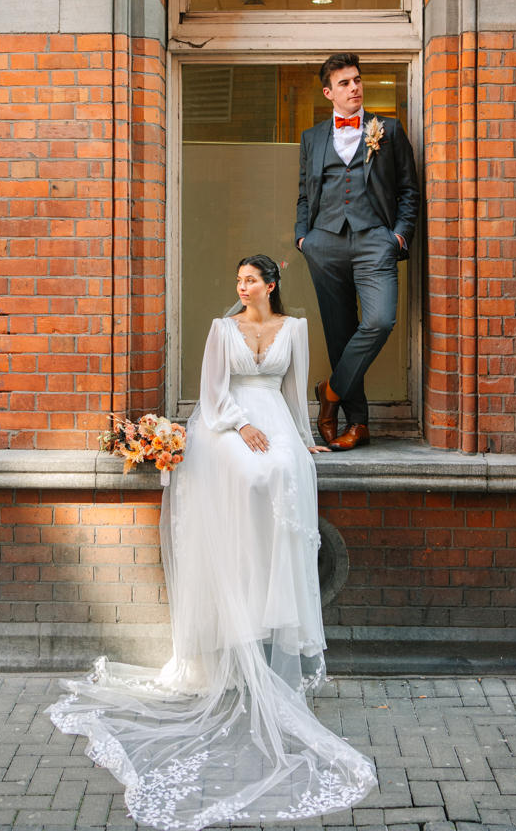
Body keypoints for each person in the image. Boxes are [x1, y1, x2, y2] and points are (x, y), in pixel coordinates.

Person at [47, 254, 377, 829]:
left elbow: (296, 391)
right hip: (229, 422)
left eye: (251, 279)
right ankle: (237, 618)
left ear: (270, 285)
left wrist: (302, 439)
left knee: (287, 473)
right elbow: (211, 390)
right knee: (250, 475)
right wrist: (236, 424)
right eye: (239, 279)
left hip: (274, 418)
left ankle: (271, 619)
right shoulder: (223, 330)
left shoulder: (294, 330)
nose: (242, 286)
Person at [296, 53, 419, 450]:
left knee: (380, 321)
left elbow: (408, 191)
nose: (355, 88)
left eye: (357, 80)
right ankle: (358, 423)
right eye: (345, 83)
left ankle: (329, 392)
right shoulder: (312, 138)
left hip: (374, 242)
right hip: (324, 243)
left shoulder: (389, 130)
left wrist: (398, 236)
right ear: (329, 92)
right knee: (339, 334)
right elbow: (305, 193)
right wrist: (304, 237)